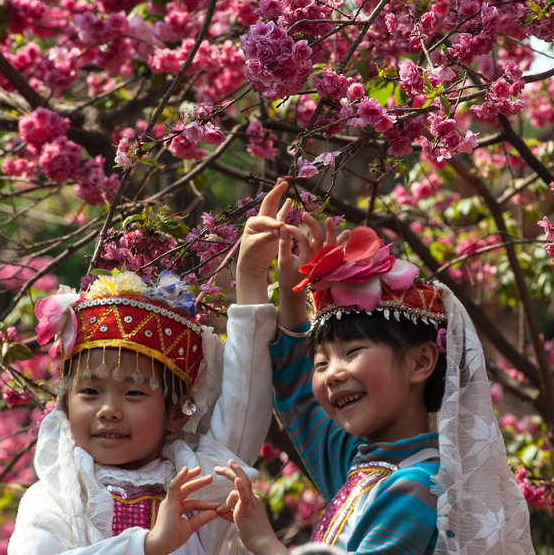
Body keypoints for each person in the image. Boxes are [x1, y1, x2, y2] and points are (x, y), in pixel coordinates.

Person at [216, 216, 536, 555]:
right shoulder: (357, 464)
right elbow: (299, 392)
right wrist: (280, 286)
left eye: (352, 352)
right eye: (321, 363)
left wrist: (265, 542)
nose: (332, 374)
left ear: (420, 362)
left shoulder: (420, 483)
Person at [7, 179, 292, 555]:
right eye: (90, 391)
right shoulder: (52, 497)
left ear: (176, 413)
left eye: (134, 392)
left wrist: (253, 276)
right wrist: (149, 545)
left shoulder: (195, 482)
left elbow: (244, 403)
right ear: (65, 402)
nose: (108, 410)